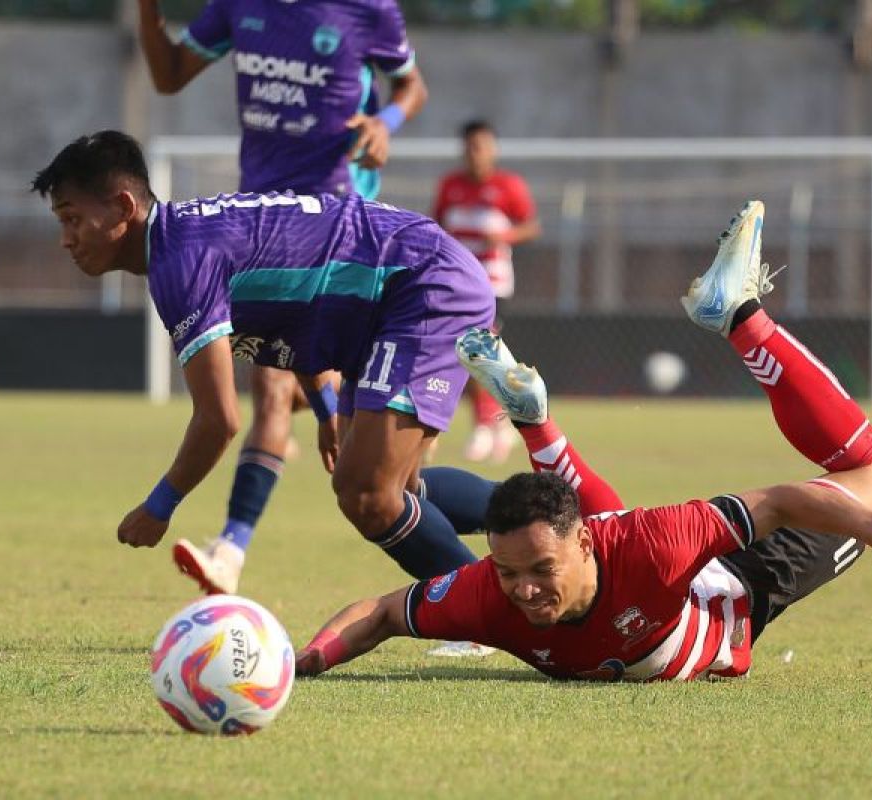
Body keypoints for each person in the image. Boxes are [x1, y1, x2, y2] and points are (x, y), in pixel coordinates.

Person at [295, 200, 872, 682]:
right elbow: (378, 614)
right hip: (620, 555)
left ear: (583, 546)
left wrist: (871, 527)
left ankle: (739, 315)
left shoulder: (658, 545)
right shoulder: (490, 595)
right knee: (605, 528)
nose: (525, 591)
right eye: (511, 572)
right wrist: (300, 664)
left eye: (540, 571)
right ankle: (536, 421)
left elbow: (783, 502)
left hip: (740, 585)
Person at [33, 130, 497, 590]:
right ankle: (543, 512)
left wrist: (159, 506)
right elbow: (291, 311)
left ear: (123, 207)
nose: (65, 239)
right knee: (391, 485)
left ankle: (490, 610)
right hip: (392, 296)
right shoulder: (183, 239)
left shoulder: (181, 262)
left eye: (72, 218)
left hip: (421, 283)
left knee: (369, 494)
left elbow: (219, 420)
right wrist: (325, 411)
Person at [136, 0, 428, 594]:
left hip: (340, 220)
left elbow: (412, 85)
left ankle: (455, 562)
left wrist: (384, 125)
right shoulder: (239, 6)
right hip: (261, 220)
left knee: (372, 432)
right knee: (272, 383)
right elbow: (167, 76)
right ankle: (231, 553)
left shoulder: (368, 11)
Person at [432, 120, 540, 463]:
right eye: (470, 146)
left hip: (492, 284)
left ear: (492, 149)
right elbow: (437, 227)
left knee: (477, 353)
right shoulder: (451, 186)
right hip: (457, 283)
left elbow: (531, 226)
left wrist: (505, 236)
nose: (475, 153)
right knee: (462, 353)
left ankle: (484, 425)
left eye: (481, 146)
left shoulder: (508, 186)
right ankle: (497, 424)